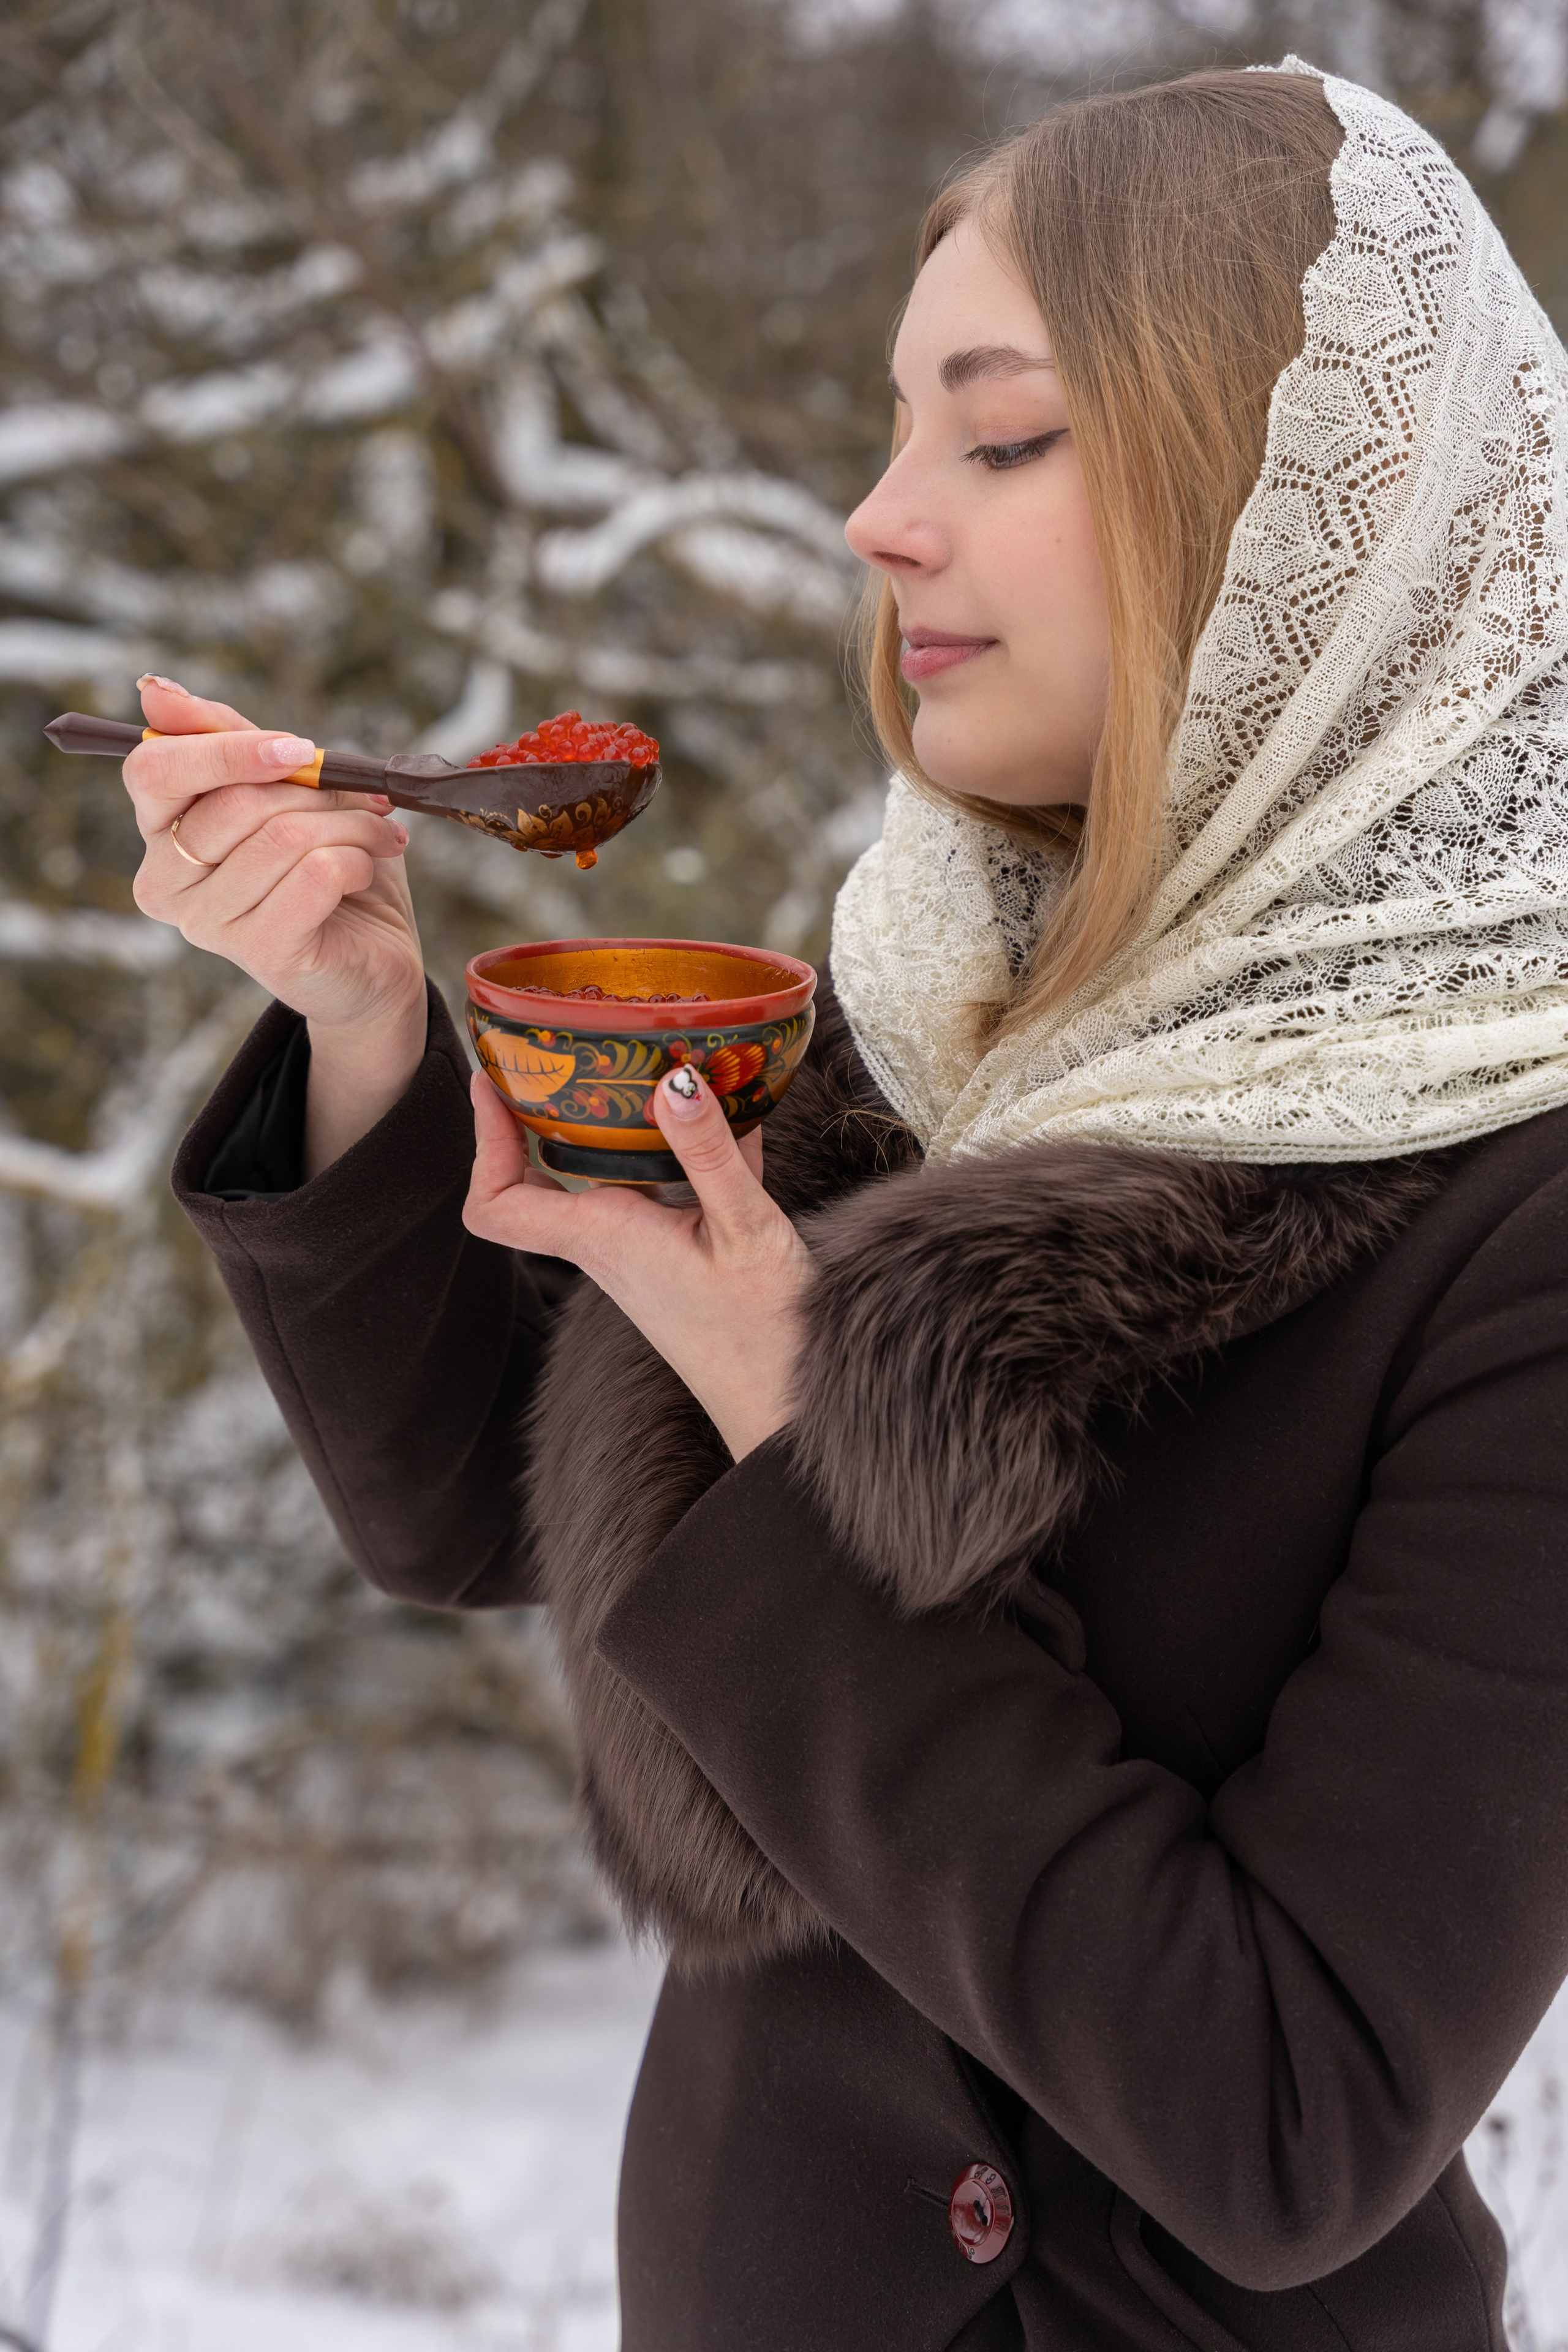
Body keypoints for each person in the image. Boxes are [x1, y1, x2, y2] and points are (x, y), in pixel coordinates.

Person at [122, 55, 1568, 2351]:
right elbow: (485, 1519)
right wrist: (367, 1031)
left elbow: (1290, 2119)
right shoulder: (937, 986)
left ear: (1306, 513)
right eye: (898, 436)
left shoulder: (1520, 1200)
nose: (883, 523)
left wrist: (804, 1431)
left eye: (1000, 441)